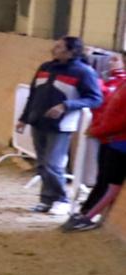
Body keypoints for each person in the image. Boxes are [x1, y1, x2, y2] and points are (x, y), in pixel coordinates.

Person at [16, 36, 105, 215]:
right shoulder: (45, 68)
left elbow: (95, 98)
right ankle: (46, 199)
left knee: (53, 164)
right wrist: (24, 118)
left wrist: (66, 106)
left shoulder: (83, 72)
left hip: (61, 126)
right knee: (42, 164)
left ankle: (61, 199)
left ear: (71, 51)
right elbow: (33, 95)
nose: (54, 49)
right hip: (38, 121)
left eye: (59, 46)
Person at [67, 57, 126, 232]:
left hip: (119, 141)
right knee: (104, 180)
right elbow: (110, 106)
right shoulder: (121, 82)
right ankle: (87, 213)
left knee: (110, 184)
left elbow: (121, 119)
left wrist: (99, 131)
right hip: (112, 139)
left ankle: (88, 216)